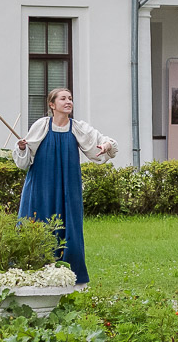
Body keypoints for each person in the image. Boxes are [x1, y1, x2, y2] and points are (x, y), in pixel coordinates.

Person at [13, 87, 116, 286]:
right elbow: (24, 161)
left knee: (69, 224)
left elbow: (101, 142)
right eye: (63, 99)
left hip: (68, 186)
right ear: (52, 105)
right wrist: (22, 147)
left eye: (70, 98)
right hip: (40, 186)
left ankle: (70, 274)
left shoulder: (77, 128)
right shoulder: (41, 126)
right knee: (37, 220)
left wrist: (106, 145)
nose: (68, 102)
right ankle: (30, 270)